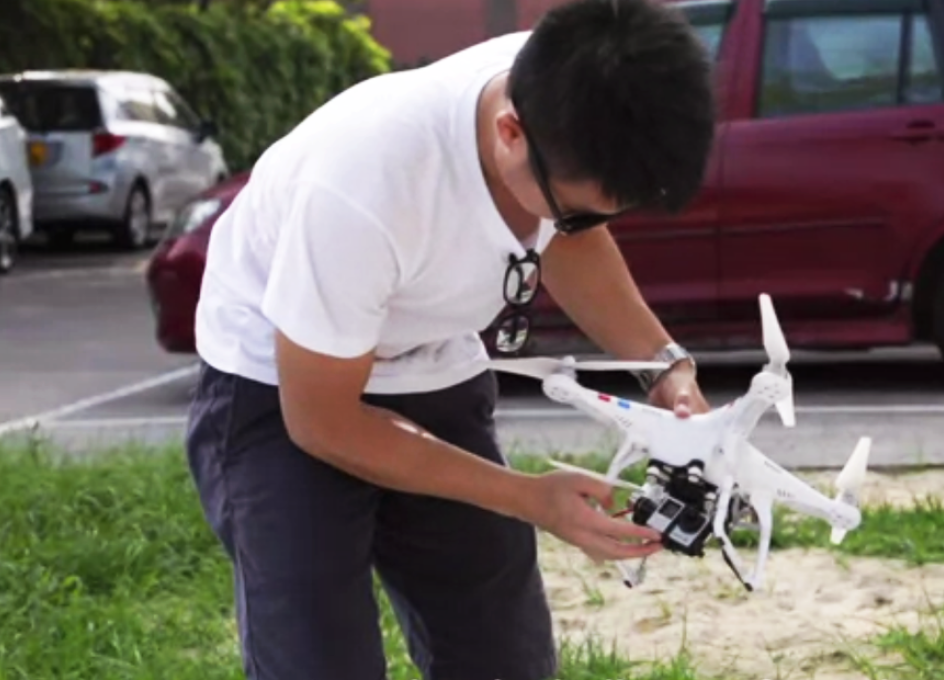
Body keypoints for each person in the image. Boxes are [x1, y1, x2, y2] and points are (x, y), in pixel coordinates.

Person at [185, 0, 716, 678]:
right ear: (510, 131)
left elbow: (571, 239)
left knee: (501, 650)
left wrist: (666, 370)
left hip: (430, 358)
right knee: (316, 654)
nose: (578, 225)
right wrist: (528, 497)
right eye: (577, 210)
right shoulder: (363, 185)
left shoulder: (575, 84)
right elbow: (324, 423)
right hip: (282, 385)